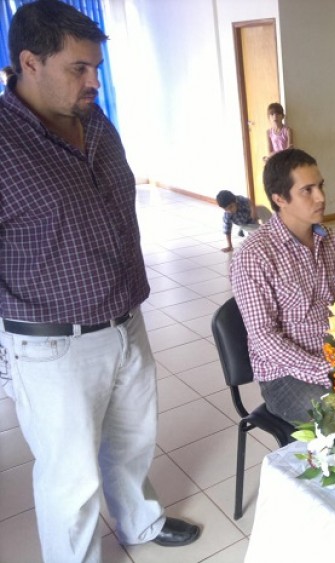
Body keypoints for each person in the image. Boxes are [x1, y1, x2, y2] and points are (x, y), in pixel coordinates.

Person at [0, 1, 200, 561]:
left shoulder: (94, 121)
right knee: (71, 477)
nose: (94, 81)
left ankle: (140, 521)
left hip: (125, 319)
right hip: (52, 344)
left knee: (132, 441)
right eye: (79, 68)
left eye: (96, 68)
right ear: (30, 62)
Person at [230, 148, 335, 425]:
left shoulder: (328, 238)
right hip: (286, 375)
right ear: (280, 199)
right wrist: (326, 370)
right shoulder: (254, 255)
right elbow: (264, 337)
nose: (321, 197)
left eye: (320, 186)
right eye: (307, 190)